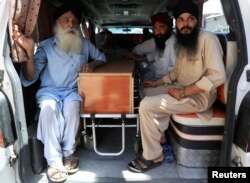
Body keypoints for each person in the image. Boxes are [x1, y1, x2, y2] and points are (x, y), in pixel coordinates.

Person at [128, 0, 226, 173]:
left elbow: (218, 75)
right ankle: (159, 134)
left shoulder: (207, 39)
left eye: (190, 19)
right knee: (146, 90)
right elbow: (177, 73)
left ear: (197, 21)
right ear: (176, 23)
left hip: (199, 96)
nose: (185, 24)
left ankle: (154, 155)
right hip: (181, 87)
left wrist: (185, 92)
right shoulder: (182, 41)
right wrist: (157, 83)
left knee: (146, 106)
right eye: (180, 20)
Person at [12, 2, 106, 182]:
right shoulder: (46, 46)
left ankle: (68, 153)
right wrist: (30, 54)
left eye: (74, 21)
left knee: (72, 107)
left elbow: (102, 57)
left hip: (72, 91)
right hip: (50, 91)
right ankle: (54, 161)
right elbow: (31, 77)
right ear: (57, 23)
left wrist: (92, 64)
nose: (71, 24)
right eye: (66, 20)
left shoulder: (84, 44)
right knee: (49, 108)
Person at [127, 12, 176, 83]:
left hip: (164, 81)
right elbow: (154, 56)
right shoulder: (162, 40)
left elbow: (176, 72)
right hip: (154, 74)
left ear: (169, 28)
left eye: (161, 27)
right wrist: (138, 58)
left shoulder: (174, 43)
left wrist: (156, 83)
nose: (158, 31)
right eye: (155, 28)